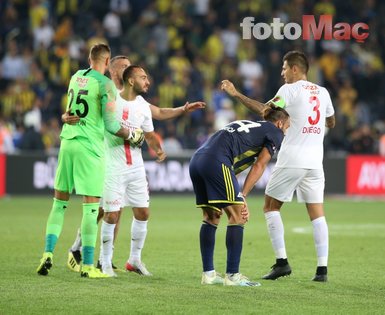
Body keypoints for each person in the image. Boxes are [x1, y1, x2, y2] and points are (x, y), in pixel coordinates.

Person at [64, 56, 205, 274]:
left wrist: (182, 110)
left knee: (117, 210)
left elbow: (156, 114)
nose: (128, 68)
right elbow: (80, 111)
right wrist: (66, 117)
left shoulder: (139, 102)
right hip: (106, 161)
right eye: (124, 67)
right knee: (105, 210)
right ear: (114, 72)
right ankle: (82, 249)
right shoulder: (104, 93)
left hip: (133, 165)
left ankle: (109, 258)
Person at [221, 50, 336, 282]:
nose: (282, 73)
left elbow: (265, 111)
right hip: (315, 161)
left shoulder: (289, 90)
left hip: (292, 158)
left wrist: (236, 94)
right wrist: (311, 127)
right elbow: (331, 121)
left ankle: (282, 262)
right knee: (317, 214)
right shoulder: (323, 92)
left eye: (284, 68)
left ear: (295, 69)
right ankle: (322, 270)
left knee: (270, 207)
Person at [36, 44, 144, 279]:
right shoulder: (105, 84)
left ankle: (47, 254)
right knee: (91, 207)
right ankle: (87, 266)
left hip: (67, 141)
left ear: (89, 58)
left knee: (59, 204)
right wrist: (133, 134)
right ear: (107, 63)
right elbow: (112, 125)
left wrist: (64, 117)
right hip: (89, 148)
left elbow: (69, 112)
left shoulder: (76, 77)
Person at [189, 104, 290, 286]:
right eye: (288, 127)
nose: (287, 131)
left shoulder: (251, 126)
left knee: (211, 217)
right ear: (280, 123)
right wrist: (242, 195)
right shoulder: (275, 132)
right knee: (238, 217)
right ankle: (233, 276)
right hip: (217, 162)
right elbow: (259, 165)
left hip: (197, 160)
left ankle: (209, 274)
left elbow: (231, 166)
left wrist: (235, 195)